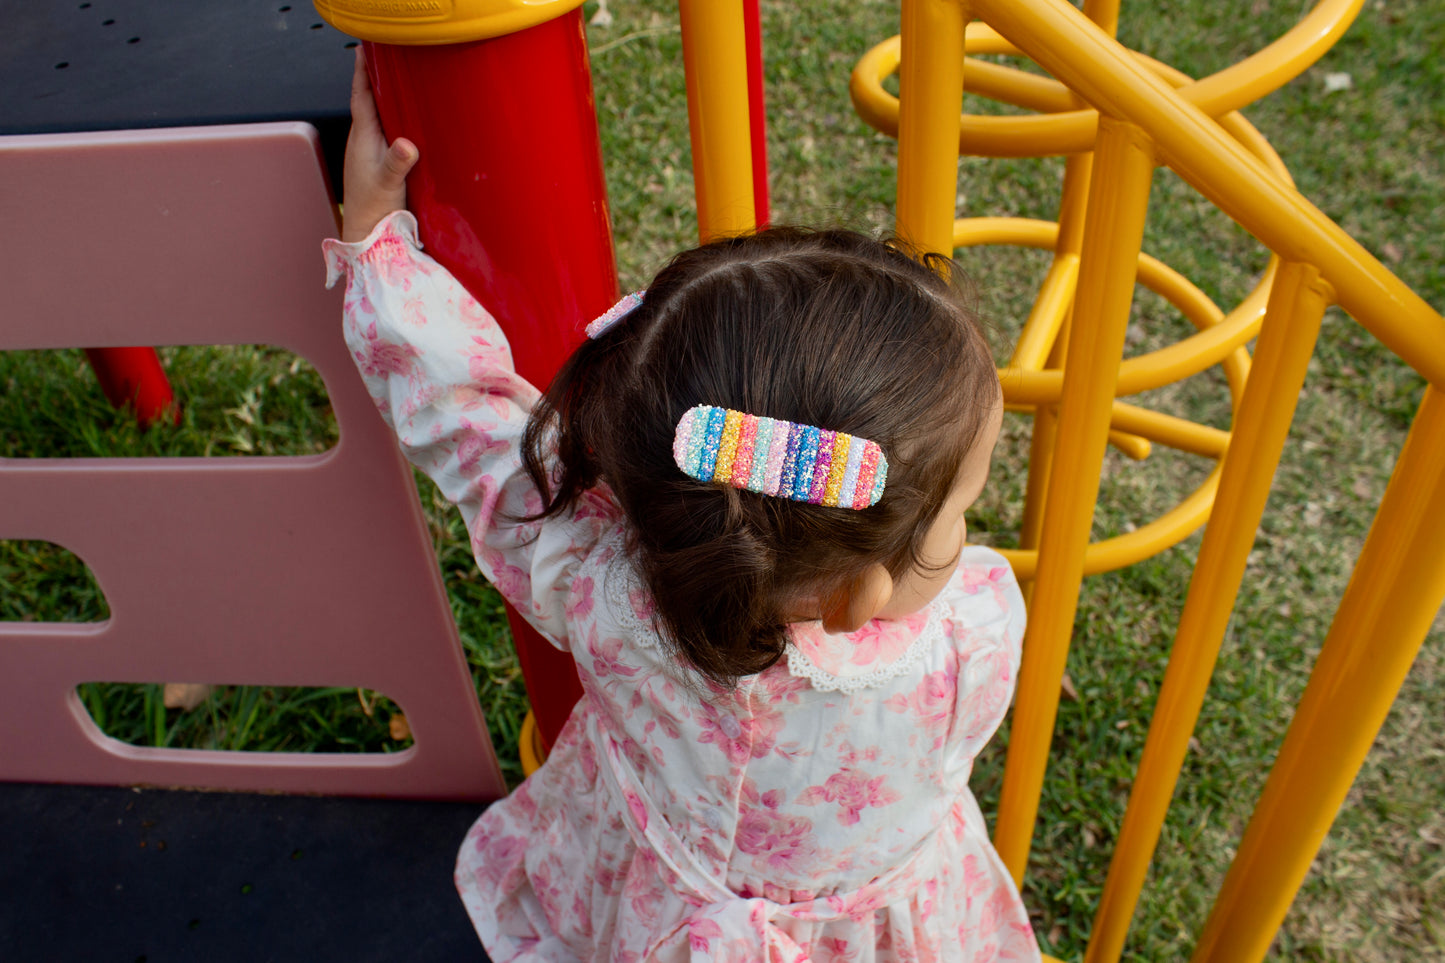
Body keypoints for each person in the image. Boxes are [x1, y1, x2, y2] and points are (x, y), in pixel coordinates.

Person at [326, 51, 1040, 963]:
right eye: (961, 507)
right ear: (858, 593)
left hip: (660, 908)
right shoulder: (973, 629)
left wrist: (377, 244)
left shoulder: (597, 584)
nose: (970, 536)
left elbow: (464, 428)